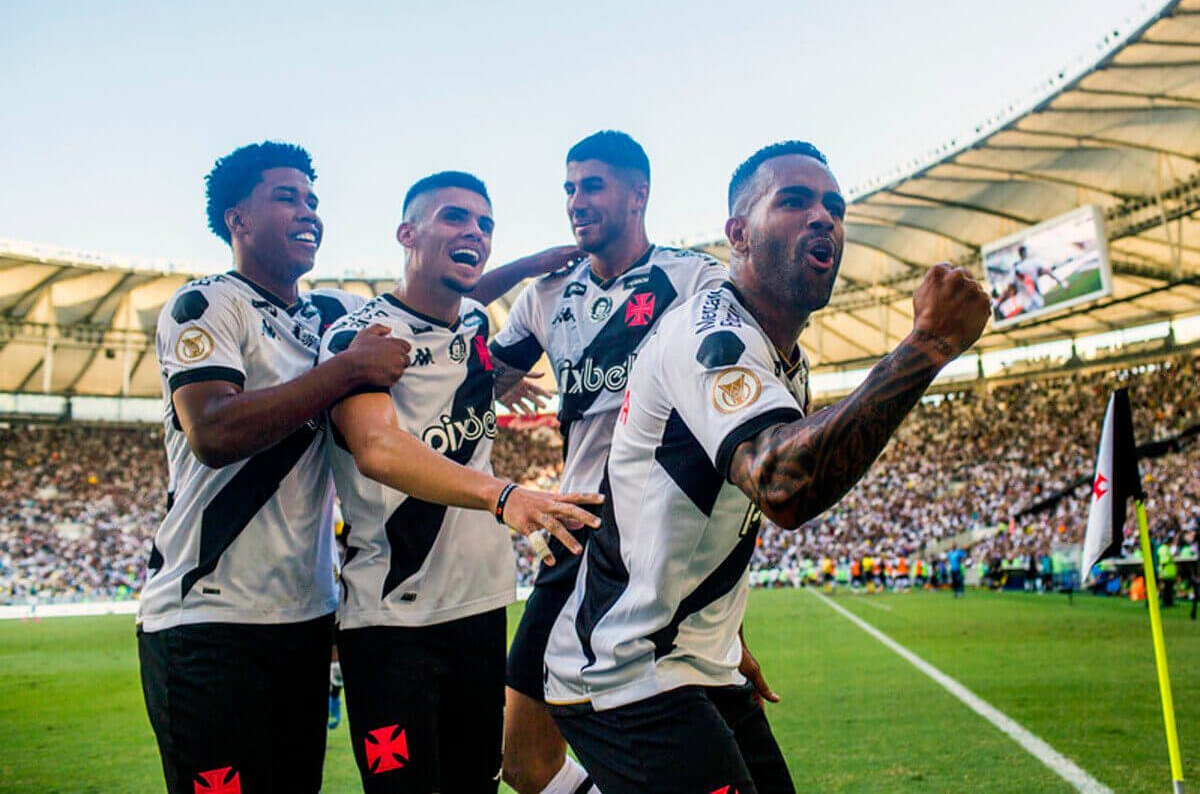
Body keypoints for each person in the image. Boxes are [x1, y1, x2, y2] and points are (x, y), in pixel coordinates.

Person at [542, 140, 990, 792]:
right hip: (625, 668)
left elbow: (720, 513)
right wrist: (926, 346)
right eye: (795, 201)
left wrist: (731, 634)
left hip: (698, 660)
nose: (824, 218)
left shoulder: (784, 362)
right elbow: (783, 485)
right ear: (738, 235)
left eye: (835, 207)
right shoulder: (710, 333)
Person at [488, 131, 759, 794]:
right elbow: (465, 375)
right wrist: (517, 270)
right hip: (574, 524)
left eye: (593, 186)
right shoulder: (546, 295)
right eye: (570, 189)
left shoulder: (694, 280)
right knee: (524, 761)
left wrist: (732, 625)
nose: (577, 201)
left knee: (662, 723)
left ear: (639, 193)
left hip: (659, 525)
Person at [137, 141, 411, 794]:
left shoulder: (330, 313)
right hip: (206, 618)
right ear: (238, 219)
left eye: (313, 199)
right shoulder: (206, 304)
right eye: (286, 197)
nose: (309, 211)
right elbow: (213, 430)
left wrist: (541, 272)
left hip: (304, 620)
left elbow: (430, 301)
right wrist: (342, 371)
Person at [319, 171, 603, 794]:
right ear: (407, 233)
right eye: (455, 217)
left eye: (485, 224)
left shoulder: (475, 327)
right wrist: (503, 496)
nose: (474, 232)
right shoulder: (360, 337)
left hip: (480, 604)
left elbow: (463, 312)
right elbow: (377, 447)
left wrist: (526, 278)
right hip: (394, 621)